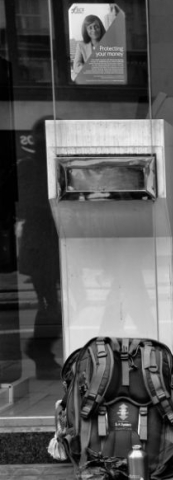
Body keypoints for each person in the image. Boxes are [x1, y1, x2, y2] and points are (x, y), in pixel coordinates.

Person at [15, 117, 62, 378]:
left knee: (54, 304)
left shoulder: (43, 167)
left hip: (50, 246)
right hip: (41, 248)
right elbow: (28, 206)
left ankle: (42, 354)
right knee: (50, 305)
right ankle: (41, 354)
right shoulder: (30, 168)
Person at [72, 15, 105, 80]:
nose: (94, 30)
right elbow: (76, 67)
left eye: (96, 26)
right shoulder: (80, 45)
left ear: (101, 27)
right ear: (86, 30)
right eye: (90, 28)